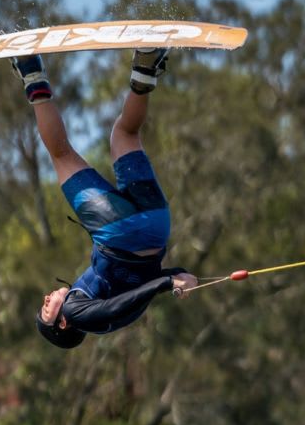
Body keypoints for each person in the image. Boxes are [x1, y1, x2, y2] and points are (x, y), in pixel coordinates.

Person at [12, 48, 198, 349]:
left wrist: (176, 276)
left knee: (125, 134)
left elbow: (138, 288)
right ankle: (32, 75)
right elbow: (119, 304)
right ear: (62, 323)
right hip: (119, 233)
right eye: (45, 310)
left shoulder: (105, 315)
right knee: (61, 154)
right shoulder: (78, 314)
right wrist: (168, 282)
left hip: (157, 224)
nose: (46, 299)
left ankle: (144, 69)